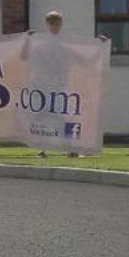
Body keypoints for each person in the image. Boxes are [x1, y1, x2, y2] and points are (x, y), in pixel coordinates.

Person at [34, 9, 84, 157]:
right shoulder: (41, 43)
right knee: (44, 117)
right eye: (51, 24)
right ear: (47, 25)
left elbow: (81, 57)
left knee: (64, 117)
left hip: (61, 86)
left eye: (56, 24)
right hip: (45, 86)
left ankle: (70, 148)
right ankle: (43, 148)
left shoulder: (64, 43)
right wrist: (27, 40)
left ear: (60, 25)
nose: (54, 27)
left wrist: (100, 46)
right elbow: (27, 56)